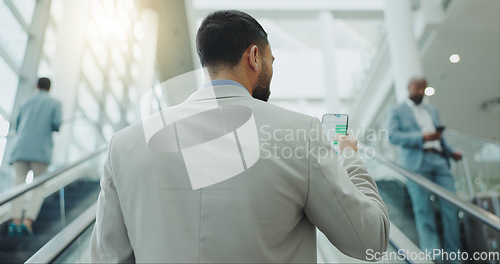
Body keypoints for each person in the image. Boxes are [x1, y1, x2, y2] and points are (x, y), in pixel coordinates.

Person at [90, 10, 389, 263]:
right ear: (254, 57)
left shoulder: (126, 144)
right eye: (272, 61)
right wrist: (349, 155)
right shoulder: (302, 134)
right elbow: (370, 240)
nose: (271, 69)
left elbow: (107, 257)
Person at [387, 77, 462, 256]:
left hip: (439, 161)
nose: (421, 92)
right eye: (417, 88)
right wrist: (421, 137)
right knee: (423, 210)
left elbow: (440, 137)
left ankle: (455, 256)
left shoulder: (432, 110)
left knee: (451, 208)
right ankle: (433, 255)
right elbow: (393, 136)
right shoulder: (396, 110)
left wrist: (451, 152)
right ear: (408, 87)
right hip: (416, 164)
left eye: (424, 89)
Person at [7, 77, 62, 236]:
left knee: (18, 183)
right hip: (41, 151)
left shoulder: (25, 102)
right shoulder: (55, 104)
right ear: (49, 89)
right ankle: (27, 222)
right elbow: (56, 124)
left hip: (21, 149)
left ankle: (14, 222)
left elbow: (17, 125)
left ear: (36, 86)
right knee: (38, 186)